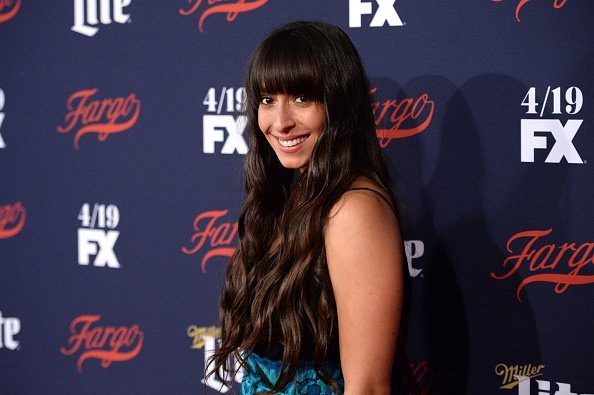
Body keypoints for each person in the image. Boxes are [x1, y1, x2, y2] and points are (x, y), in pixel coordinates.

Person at [210, 21, 412, 394]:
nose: (281, 122)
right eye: (268, 100)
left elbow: (366, 386)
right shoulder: (291, 194)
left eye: (302, 98)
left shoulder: (354, 209)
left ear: (338, 103)